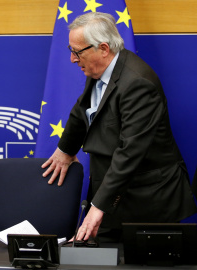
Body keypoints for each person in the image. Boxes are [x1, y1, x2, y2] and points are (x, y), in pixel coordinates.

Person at [41, 12, 196, 242]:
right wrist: (65, 150)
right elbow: (83, 108)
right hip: (112, 192)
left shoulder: (138, 83)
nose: (73, 59)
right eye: (71, 50)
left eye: (77, 52)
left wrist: (98, 207)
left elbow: (130, 152)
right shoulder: (97, 68)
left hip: (147, 200)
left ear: (103, 48)